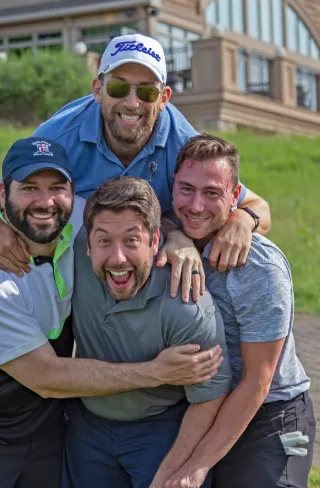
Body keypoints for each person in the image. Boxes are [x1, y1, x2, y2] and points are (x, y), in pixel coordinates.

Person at [0, 33, 271, 486]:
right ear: (97, 88)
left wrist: (235, 224)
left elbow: (252, 204)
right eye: (118, 88)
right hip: (59, 254)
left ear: (164, 98)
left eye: (146, 92)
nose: (132, 101)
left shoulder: (181, 138)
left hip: (115, 262)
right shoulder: (60, 134)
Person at [0, 138, 223, 488]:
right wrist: (156, 372)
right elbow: (47, 377)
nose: (45, 202)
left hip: (43, 422)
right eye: (29, 188)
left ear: (72, 193)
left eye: (56, 188)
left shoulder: (82, 218)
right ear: (3, 193)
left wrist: (177, 238)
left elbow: (134, 221)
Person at [159, 135, 315, 488]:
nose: (196, 205)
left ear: (235, 197)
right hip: (200, 403)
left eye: (212, 193)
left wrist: (196, 466)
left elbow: (257, 382)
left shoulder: (260, 267)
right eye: (186, 189)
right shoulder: (167, 243)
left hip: (269, 410)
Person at [62, 176, 231, 488]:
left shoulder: (186, 304)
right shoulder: (71, 257)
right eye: (104, 241)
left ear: (155, 242)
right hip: (89, 424)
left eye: (131, 241)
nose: (117, 258)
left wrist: (171, 472)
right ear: (88, 244)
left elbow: (210, 396)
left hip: (161, 429)